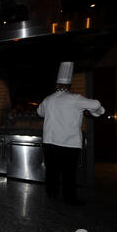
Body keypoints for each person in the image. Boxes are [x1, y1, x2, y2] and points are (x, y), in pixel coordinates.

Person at [37, 62, 105, 205]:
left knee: (52, 171)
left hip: (50, 142)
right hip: (69, 143)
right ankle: (69, 198)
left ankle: (52, 194)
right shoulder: (75, 99)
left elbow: (39, 112)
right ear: (69, 86)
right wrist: (96, 113)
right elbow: (97, 105)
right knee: (69, 173)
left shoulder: (48, 99)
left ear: (57, 85)